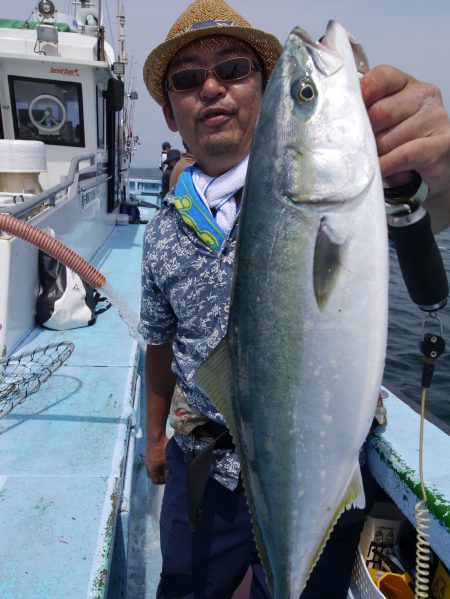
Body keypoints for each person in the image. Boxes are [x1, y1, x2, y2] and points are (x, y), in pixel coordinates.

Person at [139, 1, 450, 597]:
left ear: (261, 87)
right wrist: (156, 437)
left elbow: (422, 211)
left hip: (314, 459)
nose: (211, 88)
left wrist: (428, 175)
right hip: (199, 462)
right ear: (170, 113)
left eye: (233, 68)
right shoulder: (161, 228)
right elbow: (161, 341)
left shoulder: (339, 187)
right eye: (187, 78)